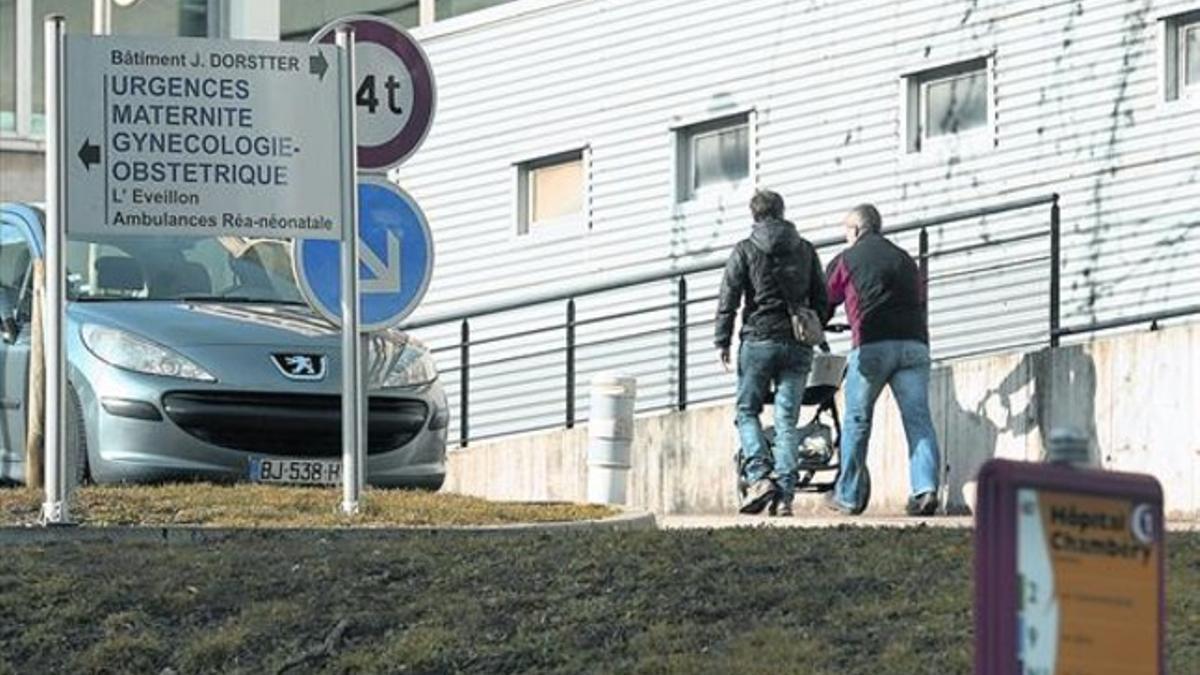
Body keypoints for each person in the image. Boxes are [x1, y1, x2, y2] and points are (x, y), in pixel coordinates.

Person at [715, 190, 829, 517]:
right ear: (781, 212)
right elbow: (822, 298)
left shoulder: (745, 250)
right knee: (786, 420)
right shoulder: (805, 249)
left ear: (754, 215)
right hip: (796, 343)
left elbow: (729, 299)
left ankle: (759, 476)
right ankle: (785, 495)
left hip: (758, 340)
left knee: (747, 411)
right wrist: (811, 322)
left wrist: (722, 340)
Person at [823, 204, 941, 516]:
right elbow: (919, 299)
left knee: (857, 420)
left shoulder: (846, 259)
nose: (845, 238)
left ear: (857, 230)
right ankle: (925, 490)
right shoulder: (905, 259)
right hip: (914, 344)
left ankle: (847, 495)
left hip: (872, 345)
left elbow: (826, 298)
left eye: (845, 231)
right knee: (918, 420)